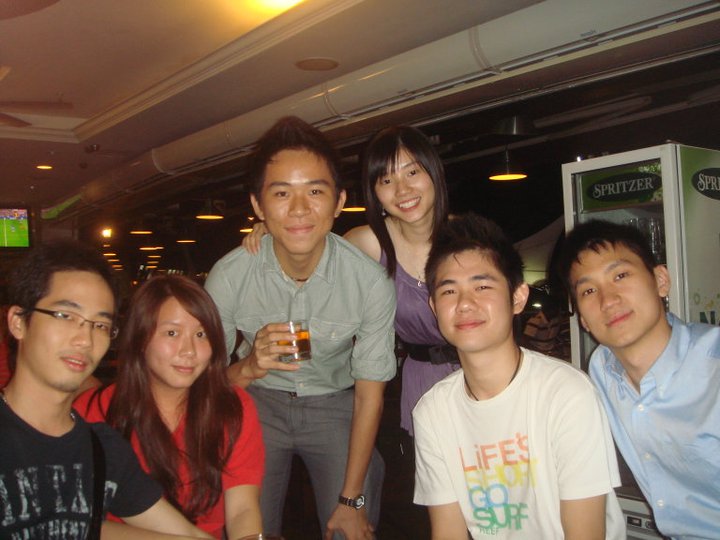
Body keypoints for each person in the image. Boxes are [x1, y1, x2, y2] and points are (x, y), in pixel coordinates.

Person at [205, 116, 397, 540]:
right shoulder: (231, 277)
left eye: (314, 191)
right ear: (258, 206)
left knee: (353, 526)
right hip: (255, 401)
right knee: (243, 526)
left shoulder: (369, 283)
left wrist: (351, 500)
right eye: (281, 193)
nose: (298, 209)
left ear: (338, 201)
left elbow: (370, 397)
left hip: (336, 404)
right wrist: (249, 367)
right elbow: (205, 388)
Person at [413, 213, 625, 539]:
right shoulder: (433, 411)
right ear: (433, 307)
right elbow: (448, 532)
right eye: (449, 291)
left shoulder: (566, 394)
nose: (465, 304)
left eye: (482, 286)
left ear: (517, 298)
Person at [245, 125, 458, 436]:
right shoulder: (368, 243)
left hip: (482, 369)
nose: (402, 190)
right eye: (386, 180)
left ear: (434, 173)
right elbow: (310, 255)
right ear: (374, 192)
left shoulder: (469, 237)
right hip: (423, 382)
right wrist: (276, 231)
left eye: (412, 172)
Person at [1, 241, 211, 539]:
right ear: (18, 322)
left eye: (100, 325)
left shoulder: (102, 450)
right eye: (65, 316)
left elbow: (187, 535)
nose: (85, 339)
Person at [558, 219, 720, 539]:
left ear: (661, 280)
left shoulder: (713, 368)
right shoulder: (602, 369)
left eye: (620, 275)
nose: (608, 300)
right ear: (583, 320)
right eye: (589, 290)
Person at [74, 275, 264, 539]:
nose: (189, 350)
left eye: (201, 334)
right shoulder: (96, 411)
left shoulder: (232, 407)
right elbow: (83, 521)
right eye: (172, 333)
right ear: (141, 338)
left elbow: (242, 510)